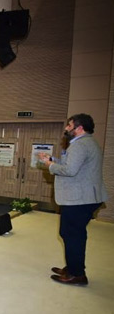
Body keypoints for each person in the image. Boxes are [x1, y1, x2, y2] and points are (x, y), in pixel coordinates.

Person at [38, 114, 108, 286]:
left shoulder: (80, 145)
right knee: (71, 233)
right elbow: (73, 165)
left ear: (79, 128)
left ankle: (77, 274)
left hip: (79, 199)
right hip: (84, 197)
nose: (66, 128)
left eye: (69, 126)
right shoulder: (88, 142)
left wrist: (50, 165)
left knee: (72, 235)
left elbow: (70, 170)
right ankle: (72, 268)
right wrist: (53, 160)